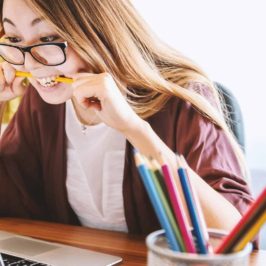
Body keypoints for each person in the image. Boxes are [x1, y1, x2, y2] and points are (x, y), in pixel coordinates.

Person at [0, 0, 254, 238]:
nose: (30, 64)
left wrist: (134, 129)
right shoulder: (43, 102)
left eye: (49, 38)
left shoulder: (182, 99)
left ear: (97, 29)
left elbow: (236, 240)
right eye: (14, 38)